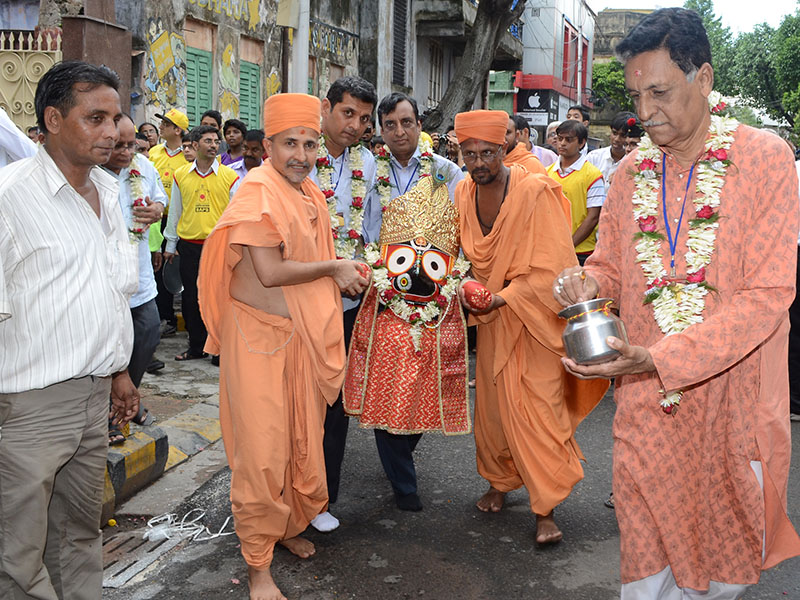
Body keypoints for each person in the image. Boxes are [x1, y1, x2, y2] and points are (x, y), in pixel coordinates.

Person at [553, 8, 800, 597]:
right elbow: (610, 265)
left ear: (705, 79)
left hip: (731, 406)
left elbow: (769, 295)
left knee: (721, 568)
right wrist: (590, 284)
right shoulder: (630, 171)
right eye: (636, 96)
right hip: (645, 408)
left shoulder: (766, 159)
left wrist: (661, 359)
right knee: (644, 567)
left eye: (659, 92)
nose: (644, 113)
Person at [197, 92, 369, 600]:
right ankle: (257, 567)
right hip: (259, 344)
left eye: (310, 144)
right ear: (266, 144)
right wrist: (334, 270)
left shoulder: (308, 191)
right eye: (289, 143)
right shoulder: (256, 190)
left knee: (300, 443)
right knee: (263, 456)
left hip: (300, 342)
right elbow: (269, 273)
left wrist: (346, 268)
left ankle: (289, 525)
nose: (301, 153)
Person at [0, 60, 139, 600]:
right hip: (30, 403)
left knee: (78, 532)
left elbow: (109, 291)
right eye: (96, 118)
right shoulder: (10, 197)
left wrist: (121, 372)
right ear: (53, 119)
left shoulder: (109, 192)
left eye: (116, 118)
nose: (111, 133)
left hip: (94, 396)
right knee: (19, 549)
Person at [452, 109, 607, 545]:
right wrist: (465, 288)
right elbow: (464, 258)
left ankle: (545, 510)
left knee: (539, 413)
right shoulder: (463, 193)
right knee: (495, 414)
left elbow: (554, 268)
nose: (479, 162)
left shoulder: (535, 189)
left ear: (505, 147)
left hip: (533, 321)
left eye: (487, 152)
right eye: (470, 154)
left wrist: (505, 296)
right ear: (460, 153)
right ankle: (499, 484)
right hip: (493, 323)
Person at [350, 92, 465, 511]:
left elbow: (460, 226)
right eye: (390, 125)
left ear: (420, 125)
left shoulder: (446, 172)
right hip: (381, 290)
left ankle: (403, 446)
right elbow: (358, 227)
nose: (400, 132)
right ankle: (403, 481)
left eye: (407, 122)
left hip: (432, 291)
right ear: (379, 130)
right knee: (386, 382)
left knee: (420, 380)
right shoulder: (366, 170)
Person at [309, 75, 378, 532]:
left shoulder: (368, 163)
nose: (355, 126)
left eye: (364, 119)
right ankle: (285, 495)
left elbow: (368, 227)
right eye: (348, 113)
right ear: (326, 108)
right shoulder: (299, 153)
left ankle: (322, 500)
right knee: (298, 402)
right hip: (302, 299)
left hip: (348, 304)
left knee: (336, 403)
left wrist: (365, 268)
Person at [104, 114, 167, 442]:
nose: (128, 152)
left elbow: (161, 197)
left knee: (147, 336)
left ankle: (130, 398)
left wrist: (157, 207)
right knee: (108, 351)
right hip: (105, 282)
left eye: (133, 145)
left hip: (140, 277)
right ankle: (110, 415)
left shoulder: (144, 166)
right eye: (120, 145)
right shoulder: (89, 172)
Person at [164, 125, 240, 362]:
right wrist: (170, 245)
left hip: (218, 245)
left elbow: (237, 215)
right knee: (192, 297)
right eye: (208, 141)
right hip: (189, 245)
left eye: (216, 141)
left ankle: (219, 348)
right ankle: (196, 346)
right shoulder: (181, 175)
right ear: (195, 146)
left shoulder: (230, 177)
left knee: (220, 297)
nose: (214, 145)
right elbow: (175, 211)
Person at [149, 108, 189, 337]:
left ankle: (189, 316)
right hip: (157, 220)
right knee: (159, 269)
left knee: (181, 270)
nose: (161, 126)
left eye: (166, 123)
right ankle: (166, 317)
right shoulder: (154, 152)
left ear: (178, 130)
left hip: (182, 220)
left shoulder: (188, 155)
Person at [546, 119, 605, 265]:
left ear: (581, 143)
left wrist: (569, 246)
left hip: (582, 252)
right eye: (560, 139)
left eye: (569, 140)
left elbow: (593, 217)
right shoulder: (547, 172)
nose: (562, 143)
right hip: (551, 249)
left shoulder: (592, 175)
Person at [587, 111, 635, 191]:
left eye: (623, 135)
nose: (616, 139)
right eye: (614, 133)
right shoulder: (594, 157)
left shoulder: (634, 163)